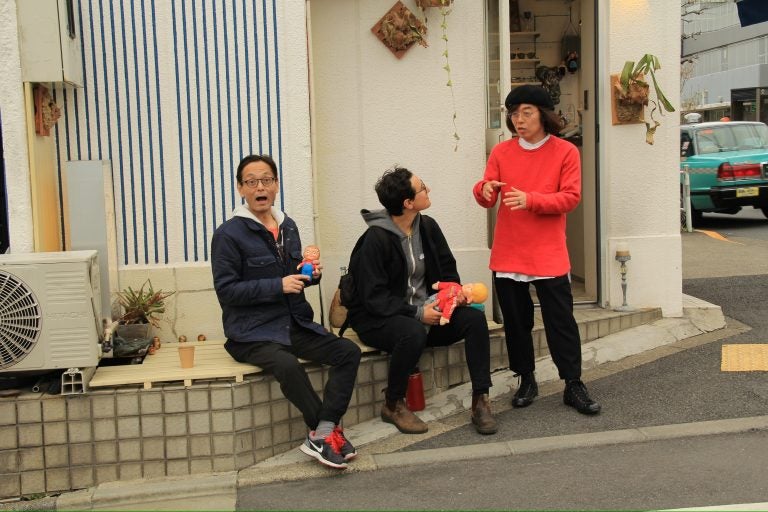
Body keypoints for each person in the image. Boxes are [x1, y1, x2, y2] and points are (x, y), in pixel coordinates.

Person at [211, 154, 362, 469]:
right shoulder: (228, 234)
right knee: (287, 365)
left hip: (294, 324)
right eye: (252, 181)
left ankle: (322, 432)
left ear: (276, 185)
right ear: (241, 188)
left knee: (348, 351)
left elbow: (295, 276)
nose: (260, 187)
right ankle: (325, 433)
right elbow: (227, 291)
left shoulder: (287, 226)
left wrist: (311, 274)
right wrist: (277, 286)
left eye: (266, 180)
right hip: (251, 332)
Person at [472, 85, 601, 416]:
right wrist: (483, 189)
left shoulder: (565, 151)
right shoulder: (501, 152)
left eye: (526, 112)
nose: (519, 119)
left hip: (548, 252)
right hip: (509, 251)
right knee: (517, 323)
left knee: (561, 321)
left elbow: (570, 198)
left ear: (543, 115)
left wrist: (531, 200)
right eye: (514, 113)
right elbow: (487, 192)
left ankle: (573, 383)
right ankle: (526, 379)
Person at [346, 167, 497, 435]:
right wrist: (417, 313)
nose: (428, 190)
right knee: (413, 331)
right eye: (423, 188)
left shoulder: (427, 227)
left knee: (474, 319)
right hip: (378, 319)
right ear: (408, 203)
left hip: (428, 311)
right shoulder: (375, 239)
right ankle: (393, 404)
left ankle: (480, 400)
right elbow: (373, 298)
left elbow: (448, 272)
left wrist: (452, 296)